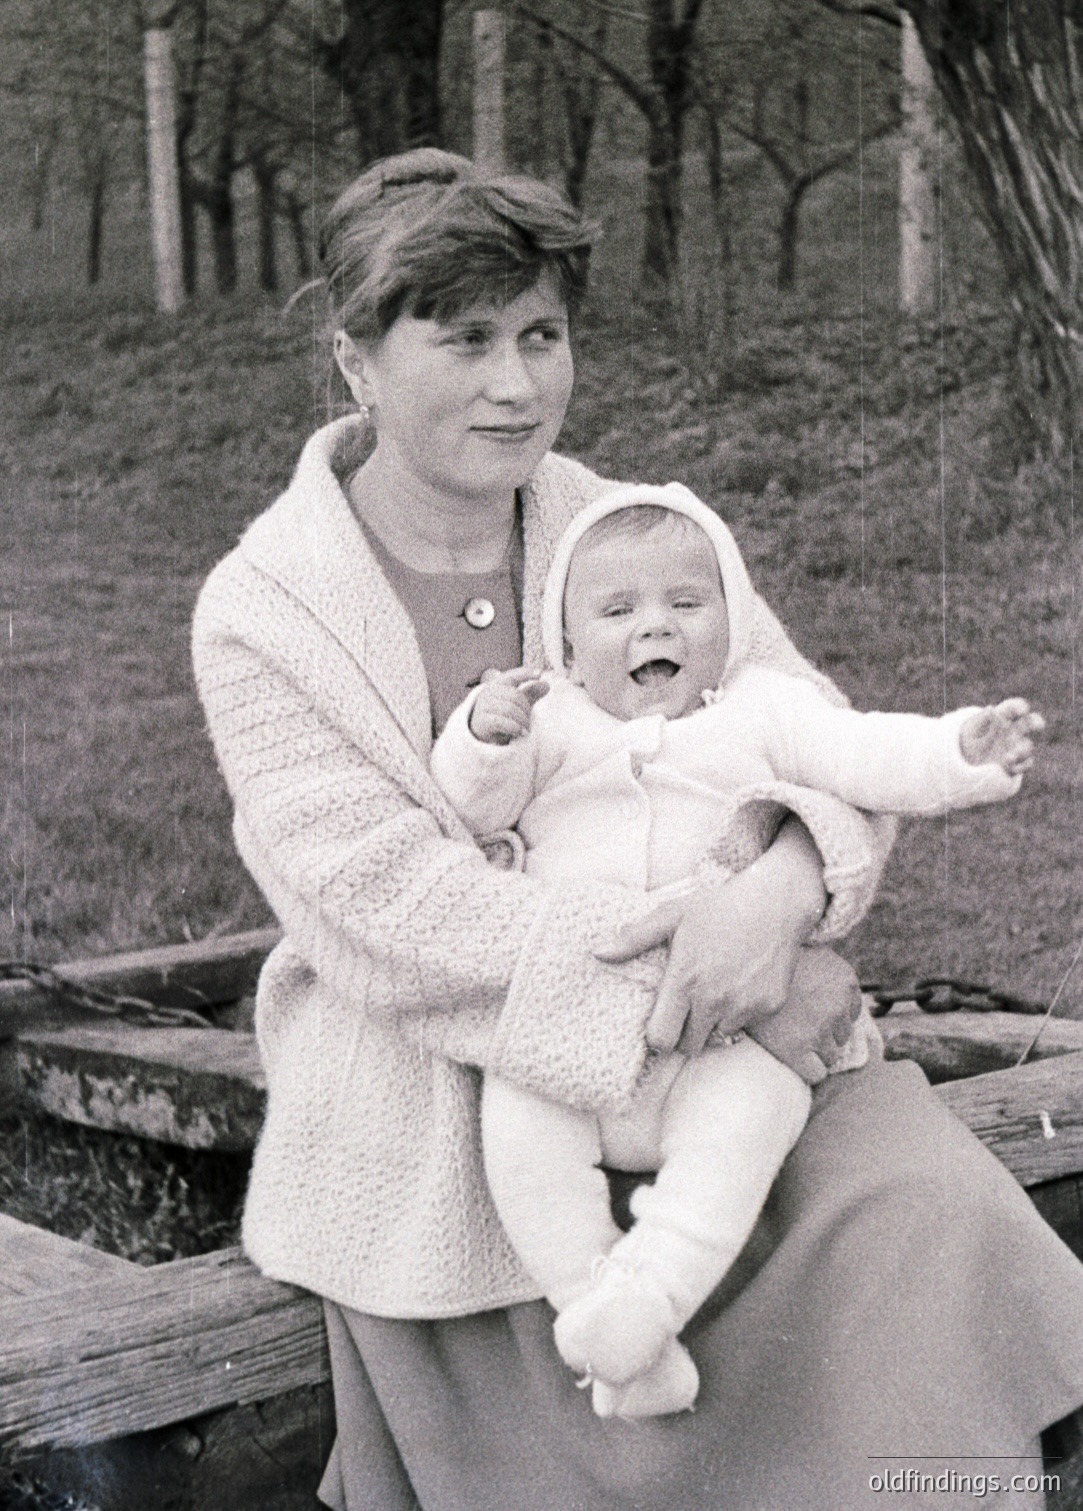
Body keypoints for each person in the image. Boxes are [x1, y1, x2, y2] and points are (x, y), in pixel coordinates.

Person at [192, 148, 1083, 1510]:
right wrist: (698, 985)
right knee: (579, 1373)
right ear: (355, 357)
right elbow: (379, 900)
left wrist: (779, 892)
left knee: (921, 1210)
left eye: (540, 334)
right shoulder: (266, 608)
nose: (516, 383)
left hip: (737, 1013)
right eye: (467, 338)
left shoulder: (619, 524)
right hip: (451, 1067)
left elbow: (804, 727)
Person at [429, 481, 1044, 1422]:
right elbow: (465, 811)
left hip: (725, 1033)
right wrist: (481, 737)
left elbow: (866, 753)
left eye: (686, 602)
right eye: (617, 610)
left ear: (733, 616)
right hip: (572, 1028)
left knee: (746, 1126)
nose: (653, 628)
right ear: (564, 641)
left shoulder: (766, 707)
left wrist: (963, 751)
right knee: (516, 1127)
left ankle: (654, 1291)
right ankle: (594, 1308)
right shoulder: (550, 722)